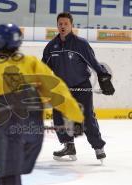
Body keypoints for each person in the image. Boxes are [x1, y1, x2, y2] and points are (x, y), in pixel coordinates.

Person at [0, 23, 84, 185]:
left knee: (7, 175)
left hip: (9, 128)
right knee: (16, 170)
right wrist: (75, 116)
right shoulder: (31, 62)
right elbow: (57, 90)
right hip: (34, 132)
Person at [42, 12, 115, 162]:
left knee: (87, 118)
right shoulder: (51, 47)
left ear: (71, 25)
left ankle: (98, 147)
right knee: (59, 118)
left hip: (81, 86)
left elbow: (93, 63)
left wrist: (103, 77)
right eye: (60, 24)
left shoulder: (80, 44)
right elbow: (42, 68)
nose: (63, 26)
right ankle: (69, 145)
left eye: (66, 24)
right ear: (57, 26)